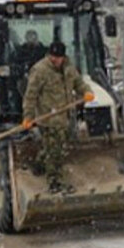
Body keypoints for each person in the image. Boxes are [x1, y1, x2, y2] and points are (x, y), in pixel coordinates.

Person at [21, 41, 93, 193]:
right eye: (52, 56)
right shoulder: (40, 70)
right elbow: (30, 95)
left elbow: (79, 83)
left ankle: (38, 164)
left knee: (54, 147)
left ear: (63, 57)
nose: (54, 60)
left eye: (57, 57)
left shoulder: (69, 68)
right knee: (56, 151)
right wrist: (28, 116)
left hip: (64, 117)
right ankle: (55, 182)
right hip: (48, 118)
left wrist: (87, 92)